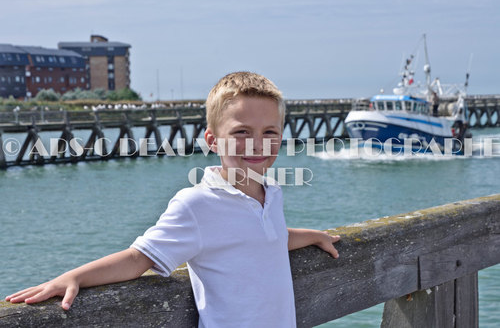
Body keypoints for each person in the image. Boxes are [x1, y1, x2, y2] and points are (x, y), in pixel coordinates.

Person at [5, 72, 340, 327]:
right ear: (212, 139)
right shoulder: (197, 205)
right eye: (241, 132)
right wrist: (73, 277)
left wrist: (313, 236)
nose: (257, 144)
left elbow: (264, 239)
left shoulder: (272, 192)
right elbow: (139, 258)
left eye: (269, 132)